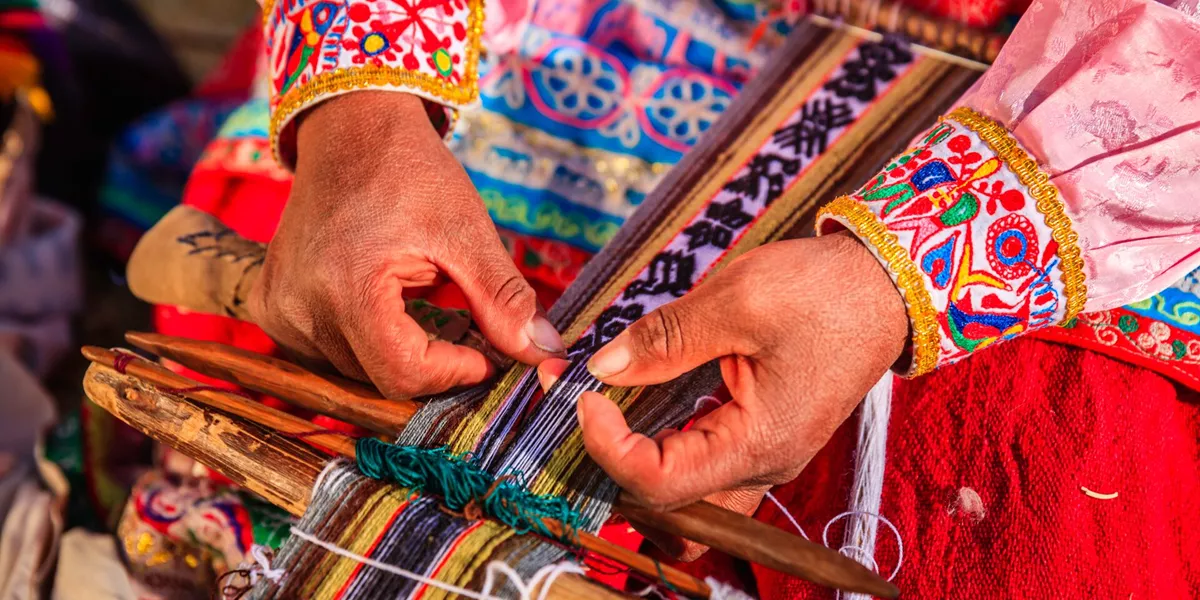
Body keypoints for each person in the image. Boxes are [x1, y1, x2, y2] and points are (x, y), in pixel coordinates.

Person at [134, 0, 1200, 596]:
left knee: (1040, 518)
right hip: (629, 26)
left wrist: (898, 275)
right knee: (320, 274)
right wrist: (363, 109)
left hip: (1101, 96)